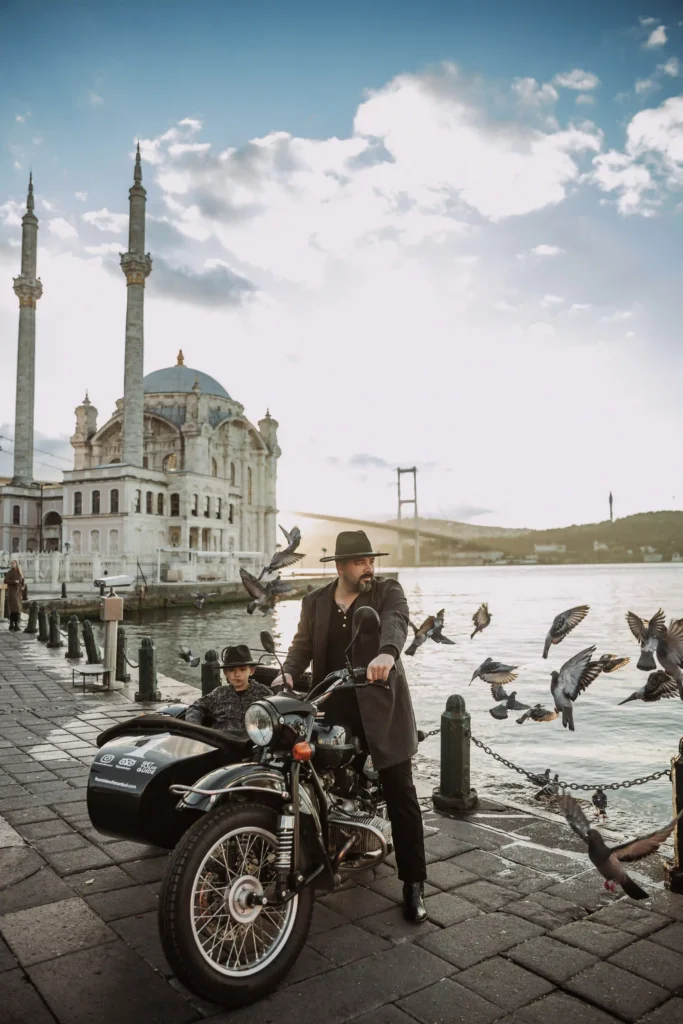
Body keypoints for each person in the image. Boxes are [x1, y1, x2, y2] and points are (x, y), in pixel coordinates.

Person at [274, 530, 428, 923]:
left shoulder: (386, 591)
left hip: (381, 705)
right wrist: (288, 674)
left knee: (400, 790)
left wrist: (387, 653)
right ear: (340, 566)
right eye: (360, 562)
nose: (368, 568)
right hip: (333, 704)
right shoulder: (315, 602)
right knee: (311, 776)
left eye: (370, 560)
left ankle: (413, 883)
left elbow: (397, 622)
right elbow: (302, 646)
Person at [184, 644, 272, 758]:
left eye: (242, 669)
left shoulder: (264, 694)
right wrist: (196, 728)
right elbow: (196, 707)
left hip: (251, 748)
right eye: (231, 670)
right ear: (225, 673)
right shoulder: (219, 693)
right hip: (221, 746)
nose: (237, 674)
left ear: (251, 670)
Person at [4, 560, 25, 632]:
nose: (12, 564)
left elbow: (22, 581)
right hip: (12, 592)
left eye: (13, 563)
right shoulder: (9, 572)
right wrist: (14, 581)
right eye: (11, 563)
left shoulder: (20, 572)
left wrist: (23, 586)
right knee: (13, 609)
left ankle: (16, 624)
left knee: (18, 609)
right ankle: (12, 624)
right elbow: (5, 581)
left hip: (18, 593)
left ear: (16, 564)